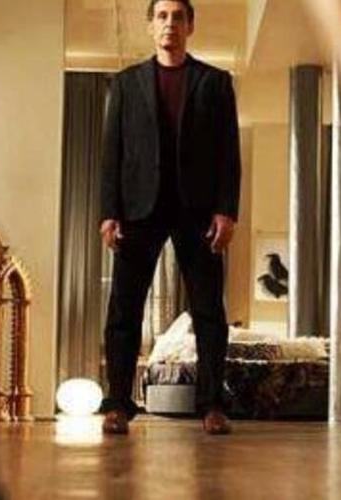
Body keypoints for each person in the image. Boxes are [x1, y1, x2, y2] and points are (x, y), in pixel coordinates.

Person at [97, 0, 241, 436]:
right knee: (124, 309)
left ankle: (212, 405)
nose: (170, 24)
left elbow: (228, 153)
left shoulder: (215, 83)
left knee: (209, 311)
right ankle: (118, 403)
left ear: (190, 25)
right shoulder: (126, 84)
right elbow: (111, 152)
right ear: (150, 26)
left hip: (198, 211)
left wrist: (227, 210)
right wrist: (109, 213)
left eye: (178, 16)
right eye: (162, 16)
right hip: (139, 209)